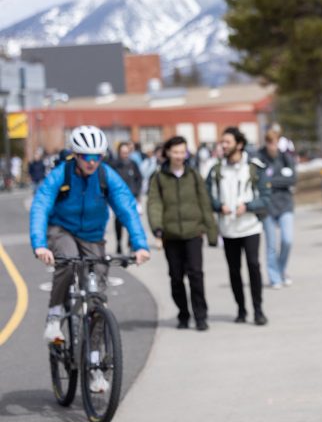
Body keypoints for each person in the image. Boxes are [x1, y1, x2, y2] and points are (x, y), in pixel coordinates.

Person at [30, 126, 150, 393]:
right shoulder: (61, 174)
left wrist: (140, 245)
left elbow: (127, 207)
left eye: (97, 156)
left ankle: (95, 366)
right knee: (68, 258)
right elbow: (41, 206)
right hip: (61, 229)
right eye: (86, 156)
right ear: (75, 155)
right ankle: (54, 318)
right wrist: (40, 244)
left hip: (93, 236)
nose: (92, 161)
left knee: (96, 298)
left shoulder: (107, 176)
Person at [147, 136, 218, 331]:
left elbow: (204, 202)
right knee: (176, 278)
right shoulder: (159, 178)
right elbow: (154, 203)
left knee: (196, 275)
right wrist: (157, 228)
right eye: (176, 152)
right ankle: (183, 314)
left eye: (182, 152)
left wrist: (211, 231)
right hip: (171, 236)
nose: (179, 156)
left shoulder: (193, 175)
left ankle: (201, 315)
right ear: (168, 153)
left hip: (193, 233)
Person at [206, 127, 270, 325]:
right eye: (222, 142)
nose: (223, 146)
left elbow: (266, 199)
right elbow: (207, 196)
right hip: (228, 229)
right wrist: (219, 206)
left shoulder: (253, 167)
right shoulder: (216, 169)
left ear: (239, 144)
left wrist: (249, 206)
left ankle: (258, 310)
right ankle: (241, 310)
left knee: (253, 266)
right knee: (234, 270)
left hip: (250, 227)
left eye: (227, 142)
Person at [257, 129, 297, 289]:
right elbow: (261, 180)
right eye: (269, 142)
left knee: (287, 240)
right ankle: (275, 277)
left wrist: (271, 182)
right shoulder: (259, 158)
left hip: (285, 204)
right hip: (267, 207)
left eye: (275, 142)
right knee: (271, 245)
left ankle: (281, 269)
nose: (272, 146)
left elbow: (292, 179)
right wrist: (279, 180)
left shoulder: (285, 157)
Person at [110, 142, 143, 254]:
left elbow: (139, 179)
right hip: (118, 198)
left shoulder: (133, 164)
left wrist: (137, 193)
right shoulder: (114, 165)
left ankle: (130, 242)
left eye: (126, 152)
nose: (125, 155)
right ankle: (119, 243)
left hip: (131, 197)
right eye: (122, 152)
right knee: (119, 221)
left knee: (131, 219)